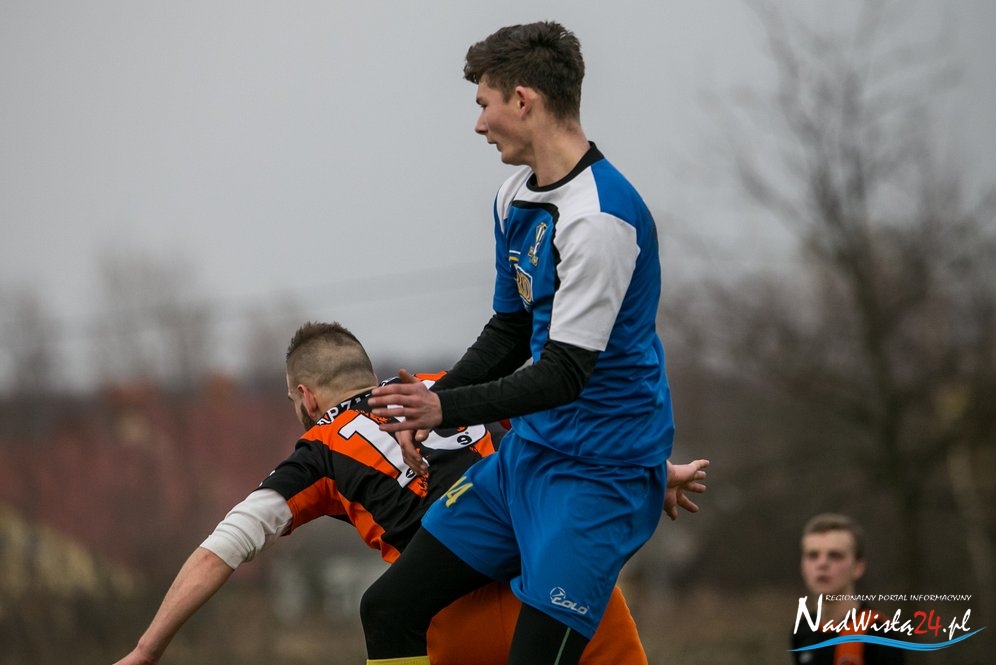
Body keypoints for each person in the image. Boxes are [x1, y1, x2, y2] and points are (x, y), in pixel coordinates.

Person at [112, 321, 708, 665]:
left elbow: (222, 548)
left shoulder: (318, 448)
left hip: (447, 618)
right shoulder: (445, 389)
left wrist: (146, 648)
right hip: (566, 587)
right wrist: (653, 473)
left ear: (305, 397)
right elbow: (555, 440)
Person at [363, 21, 678, 665]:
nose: (479, 125)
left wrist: (445, 407)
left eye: (485, 104)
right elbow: (509, 330)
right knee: (388, 609)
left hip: (599, 479)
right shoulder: (515, 196)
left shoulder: (599, 220)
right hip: (527, 457)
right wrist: (432, 411)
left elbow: (564, 374)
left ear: (524, 100)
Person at [791, 513, 905, 665]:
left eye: (835, 556)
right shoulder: (802, 631)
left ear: (858, 567)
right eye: (813, 555)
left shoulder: (878, 634)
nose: (822, 564)